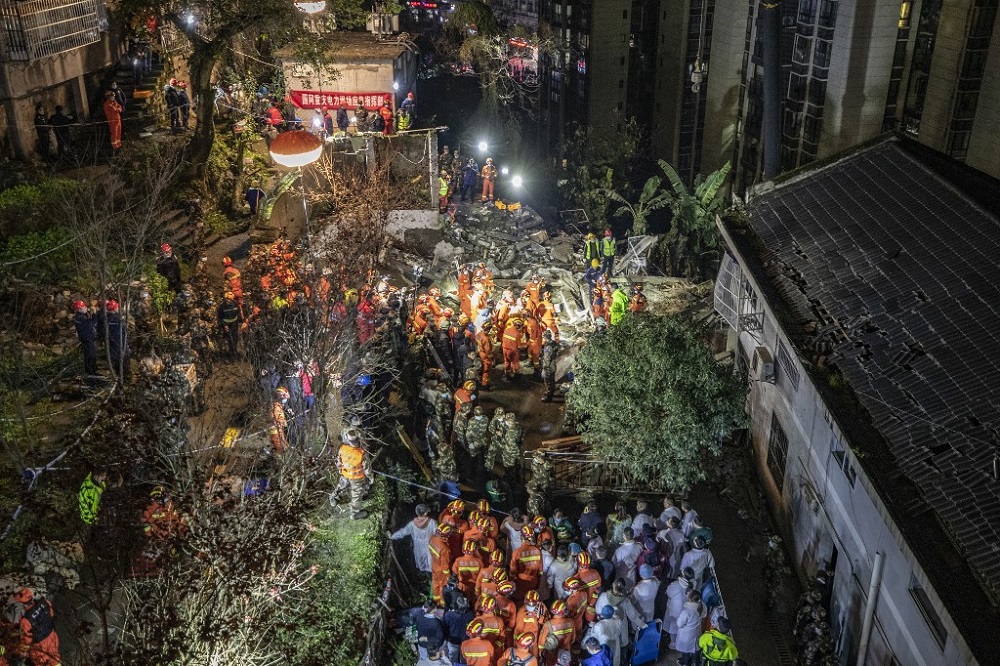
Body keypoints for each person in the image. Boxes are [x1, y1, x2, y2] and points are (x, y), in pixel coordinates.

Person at [14, 588, 60, 666]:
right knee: (55, 659)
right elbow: (51, 614)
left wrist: (19, 651)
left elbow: (26, 642)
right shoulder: (45, 603)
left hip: (40, 647)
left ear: (21, 604)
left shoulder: (25, 621)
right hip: (52, 637)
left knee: (41, 663)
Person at [392, 504, 438, 579]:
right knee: (432, 564)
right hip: (431, 546)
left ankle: (428, 579)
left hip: (418, 547)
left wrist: (392, 536)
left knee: (422, 563)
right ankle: (433, 580)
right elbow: (438, 534)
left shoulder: (412, 524)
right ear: (426, 513)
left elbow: (403, 532)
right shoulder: (432, 522)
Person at [336, 427, 370, 519]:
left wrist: (340, 470)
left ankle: (334, 498)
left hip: (345, 474)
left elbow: (339, 462)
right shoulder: (361, 453)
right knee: (356, 495)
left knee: (341, 486)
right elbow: (367, 468)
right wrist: (371, 477)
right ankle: (355, 513)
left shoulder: (342, 448)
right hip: (357, 478)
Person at [675, 589, 706, 666]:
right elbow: (704, 615)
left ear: (690, 599)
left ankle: (686, 663)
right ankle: (695, 662)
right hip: (697, 632)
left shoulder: (686, 611)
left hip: (686, 635)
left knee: (685, 650)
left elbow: (679, 624)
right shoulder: (702, 606)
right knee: (695, 648)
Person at [443, 594, 474, 662]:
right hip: (466, 641)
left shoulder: (449, 615)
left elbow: (444, 628)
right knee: (464, 659)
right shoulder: (470, 615)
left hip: (453, 641)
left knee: (452, 658)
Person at [104, 300, 129, 379]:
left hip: (112, 346)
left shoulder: (106, 318)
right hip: (120, 346)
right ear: (115, 308)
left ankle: (120, 379)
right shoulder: (117, 320)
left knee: (117, 366)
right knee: (124, 367)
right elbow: (122, 334)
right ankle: (124, 381)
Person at [72, 300, 98, 375]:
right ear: (79, 308)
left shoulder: (79, 317)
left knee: (89, 357)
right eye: (84, 307)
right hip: (89, 340)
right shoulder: (81, 317)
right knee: (91, 357)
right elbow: (93, 324)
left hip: (87, 340)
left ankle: (91, 372)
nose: (86, 308)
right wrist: (94, 314)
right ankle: (91, 374)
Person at [217, 291, 242, 358]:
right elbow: (220, 318)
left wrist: (240, 321)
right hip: (227, 324)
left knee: (235, 338)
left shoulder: (235, 303)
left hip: (234, 323)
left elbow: (238, 312)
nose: (232, 295)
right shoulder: (222, 306)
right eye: (230, 294)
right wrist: (224, 325)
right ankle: (231, 353)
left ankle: (235, 351)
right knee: (229, 339)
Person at [269, 387, 290, 453]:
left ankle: (284, 451)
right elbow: (273, 417)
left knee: (283, 441)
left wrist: (284, 423)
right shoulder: (275, 407)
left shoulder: (279, 406)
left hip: (279, 428)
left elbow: (281, 417)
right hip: (275, 428)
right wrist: (276, 422)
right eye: (284, 398)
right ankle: (278, 455)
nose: (285, 400)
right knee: (277, 443)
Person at [540, 330, 559, 402]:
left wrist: (545, 367)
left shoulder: (548, 346)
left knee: (548, 381)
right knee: (552, 380)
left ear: (545, 337)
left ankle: (548, 397)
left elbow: (547, 358)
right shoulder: (554, 343)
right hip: (553, 364)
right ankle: (552, 392)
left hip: (549, 366)